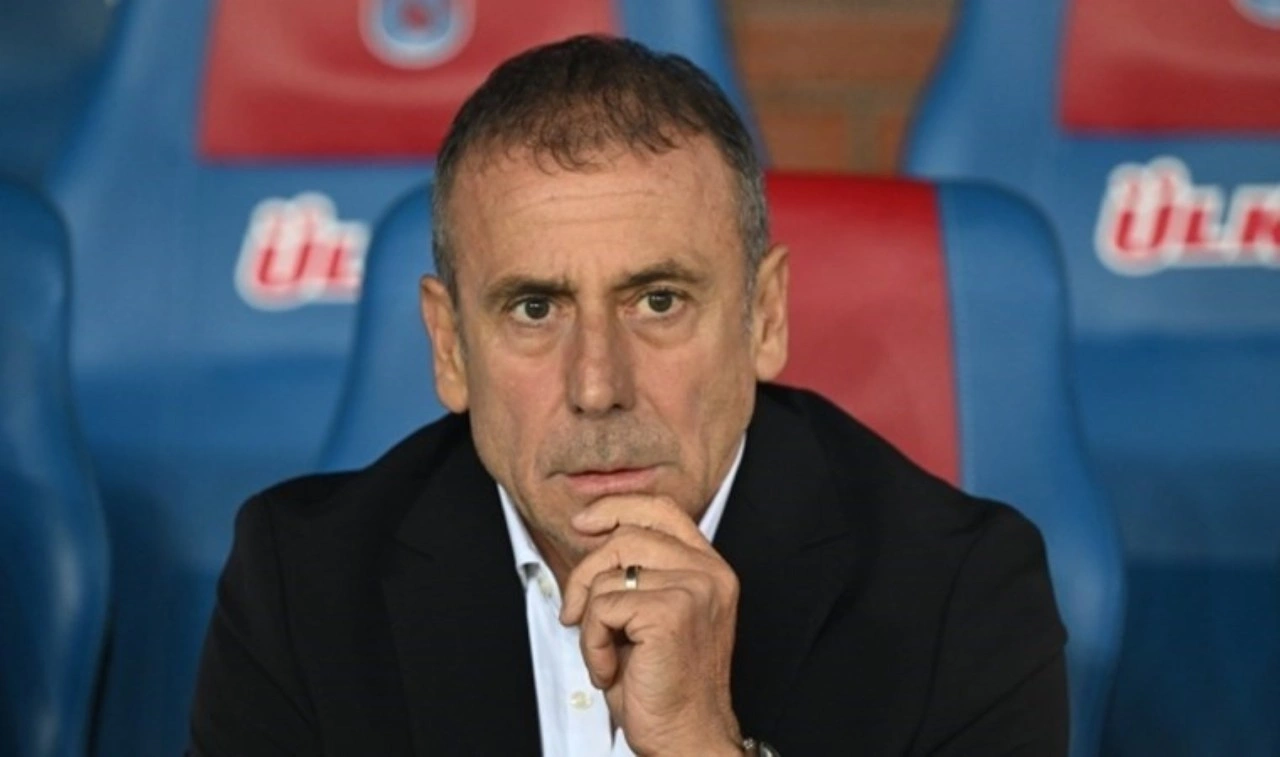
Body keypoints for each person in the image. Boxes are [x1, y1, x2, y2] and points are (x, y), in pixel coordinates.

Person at [189, 35, 1067, 756]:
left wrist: (700, 744)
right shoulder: (302, 584)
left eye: (658, 302)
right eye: (535, 309)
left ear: (763, 317)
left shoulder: (961, 595)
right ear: (450, 347)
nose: (597, 386)